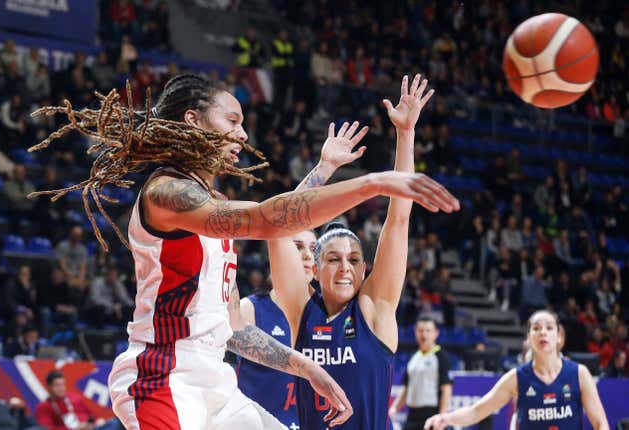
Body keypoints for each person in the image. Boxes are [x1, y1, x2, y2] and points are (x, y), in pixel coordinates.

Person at [28, 73, 457, 429]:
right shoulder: (167, 193)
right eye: (232, 119)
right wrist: (372, 183)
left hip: (214, 378)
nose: (243, 133)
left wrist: (306, 368)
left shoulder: (208, 207)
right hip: (163, 377)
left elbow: (233, 324)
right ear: (193, 120)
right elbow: (269, 220)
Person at [269, 75, 457, 429]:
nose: (344, 268)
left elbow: (399, 219)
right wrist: (324, 169)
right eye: (334, 259)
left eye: (354, 260)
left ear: (364, 268)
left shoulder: (374, 308)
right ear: (315, 267)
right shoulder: (299, 308)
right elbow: (278, 227)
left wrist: (405, 134)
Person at [237, 118, 371, 429]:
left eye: (312, 250)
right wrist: (324, 169)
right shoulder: (250, 309)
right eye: (296, 245)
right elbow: (280, 222)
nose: (304, 255)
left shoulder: (332, 312)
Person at [424, 310, 609, 430]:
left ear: (559, 337)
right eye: (536, 328)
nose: (543, 332)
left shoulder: (579, 373)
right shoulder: (516, 378)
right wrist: (446, 418)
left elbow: (601, 424)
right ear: (529, 338)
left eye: (549, 328)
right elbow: (476, 411)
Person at [389, 317, 453, 430]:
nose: (424, 334)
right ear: (415, 332)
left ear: (436, 333)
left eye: (428, 330)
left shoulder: (441, 357)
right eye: (420, 330)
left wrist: (441, 417)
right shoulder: (414, 358)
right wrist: (394, 408)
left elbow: (446, 389)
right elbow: (406, 388)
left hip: (431, 414)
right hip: (412, 414)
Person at [35, 370, 121, 430]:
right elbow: (46, 428)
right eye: (57, 385)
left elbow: (93, 416)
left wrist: (97, 421)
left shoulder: (75, 398)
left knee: (116, 421)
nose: (61, 388)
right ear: (49, 387)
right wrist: (75, 428)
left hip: (92, 428)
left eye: (62, 385)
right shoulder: (44, 407)